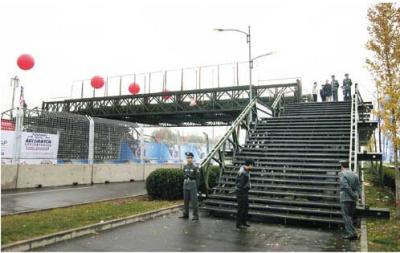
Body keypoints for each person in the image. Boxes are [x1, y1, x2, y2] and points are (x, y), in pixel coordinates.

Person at [339, 160, 361, 240]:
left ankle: (351, 233)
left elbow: (345, 186)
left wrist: (352, 195)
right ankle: (352, 232)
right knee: (350, 216)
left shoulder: (342, 174)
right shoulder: (354, 174)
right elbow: (358, 186)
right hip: (353, 199)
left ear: (341, 166)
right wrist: (358, 196)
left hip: (345, 198)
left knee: (346, 216)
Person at [179, 152, 200, 221]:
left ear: (192, 158)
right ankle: (186, 214)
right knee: (185, 200)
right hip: (186, 184)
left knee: (194, 201)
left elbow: (198, 179)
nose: (189, 159)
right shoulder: (185, 166)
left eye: (190, 158)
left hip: (192, 184)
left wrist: (197, 188)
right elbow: (184, 175)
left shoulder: (195, 167)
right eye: (188, 158)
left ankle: (195, 215)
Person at [236, 159, 254, 229]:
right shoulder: (243, 172)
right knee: (241, 208)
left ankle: (244, 222)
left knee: (246, 207)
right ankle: (239, 224)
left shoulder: (245, 170)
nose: (252, 167)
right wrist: (243, 191)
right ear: (249, 165)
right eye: (252, 165)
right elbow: (240, 184)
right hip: (241, 192)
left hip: (244, 192)